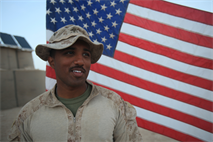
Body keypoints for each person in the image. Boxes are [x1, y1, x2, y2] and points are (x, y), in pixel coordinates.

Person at [8, 24, 142, 142]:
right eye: (70, 52)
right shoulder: (29, 114)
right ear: (52, 61)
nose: (80, 61)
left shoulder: (115, 104)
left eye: (86, 55)